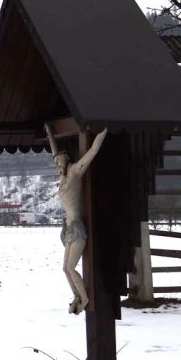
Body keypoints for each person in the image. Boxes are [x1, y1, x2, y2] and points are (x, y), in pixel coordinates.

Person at [45, 123, 108, 315]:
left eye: (59, 161)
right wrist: (49, 134)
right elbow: (55, 153)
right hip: (69, 228)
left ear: (66, 160)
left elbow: (93, 151)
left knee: (71, 267)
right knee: (65, 269)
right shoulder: (63, 177)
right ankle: (76, 295)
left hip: (78, 228)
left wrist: (104, 129)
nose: (57, 165)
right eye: (55, 163)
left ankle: (85, 298)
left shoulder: (74, 172)